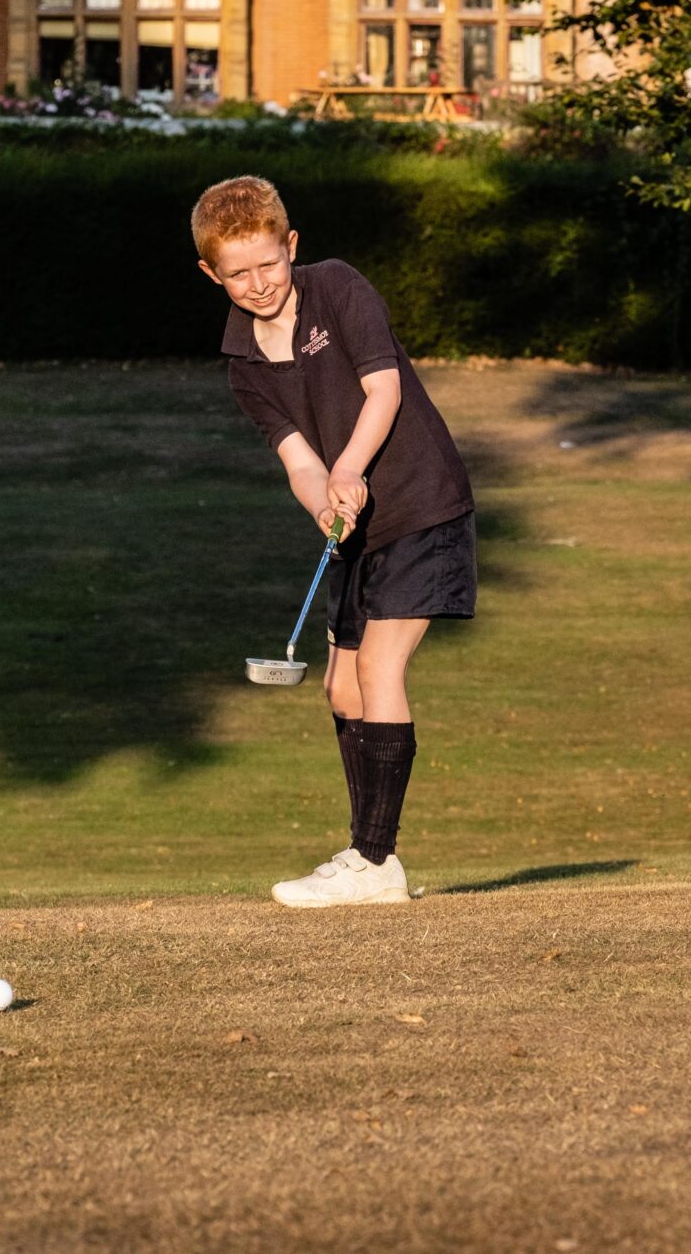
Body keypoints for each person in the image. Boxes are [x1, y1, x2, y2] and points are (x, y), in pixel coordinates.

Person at [191, 175, 477, 907]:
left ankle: (375, 861)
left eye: (268, 263)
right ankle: (364, 855)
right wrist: (326, 501)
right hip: (358, 528)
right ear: (210, 273)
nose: (257, 284)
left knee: (380, 667)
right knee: (340, 684)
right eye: (237, 272)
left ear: (292, 246)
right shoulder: (244, 367)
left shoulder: (339, 288)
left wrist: (350, 466)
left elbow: (384, 389)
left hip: (421, 501)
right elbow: (297, 459)